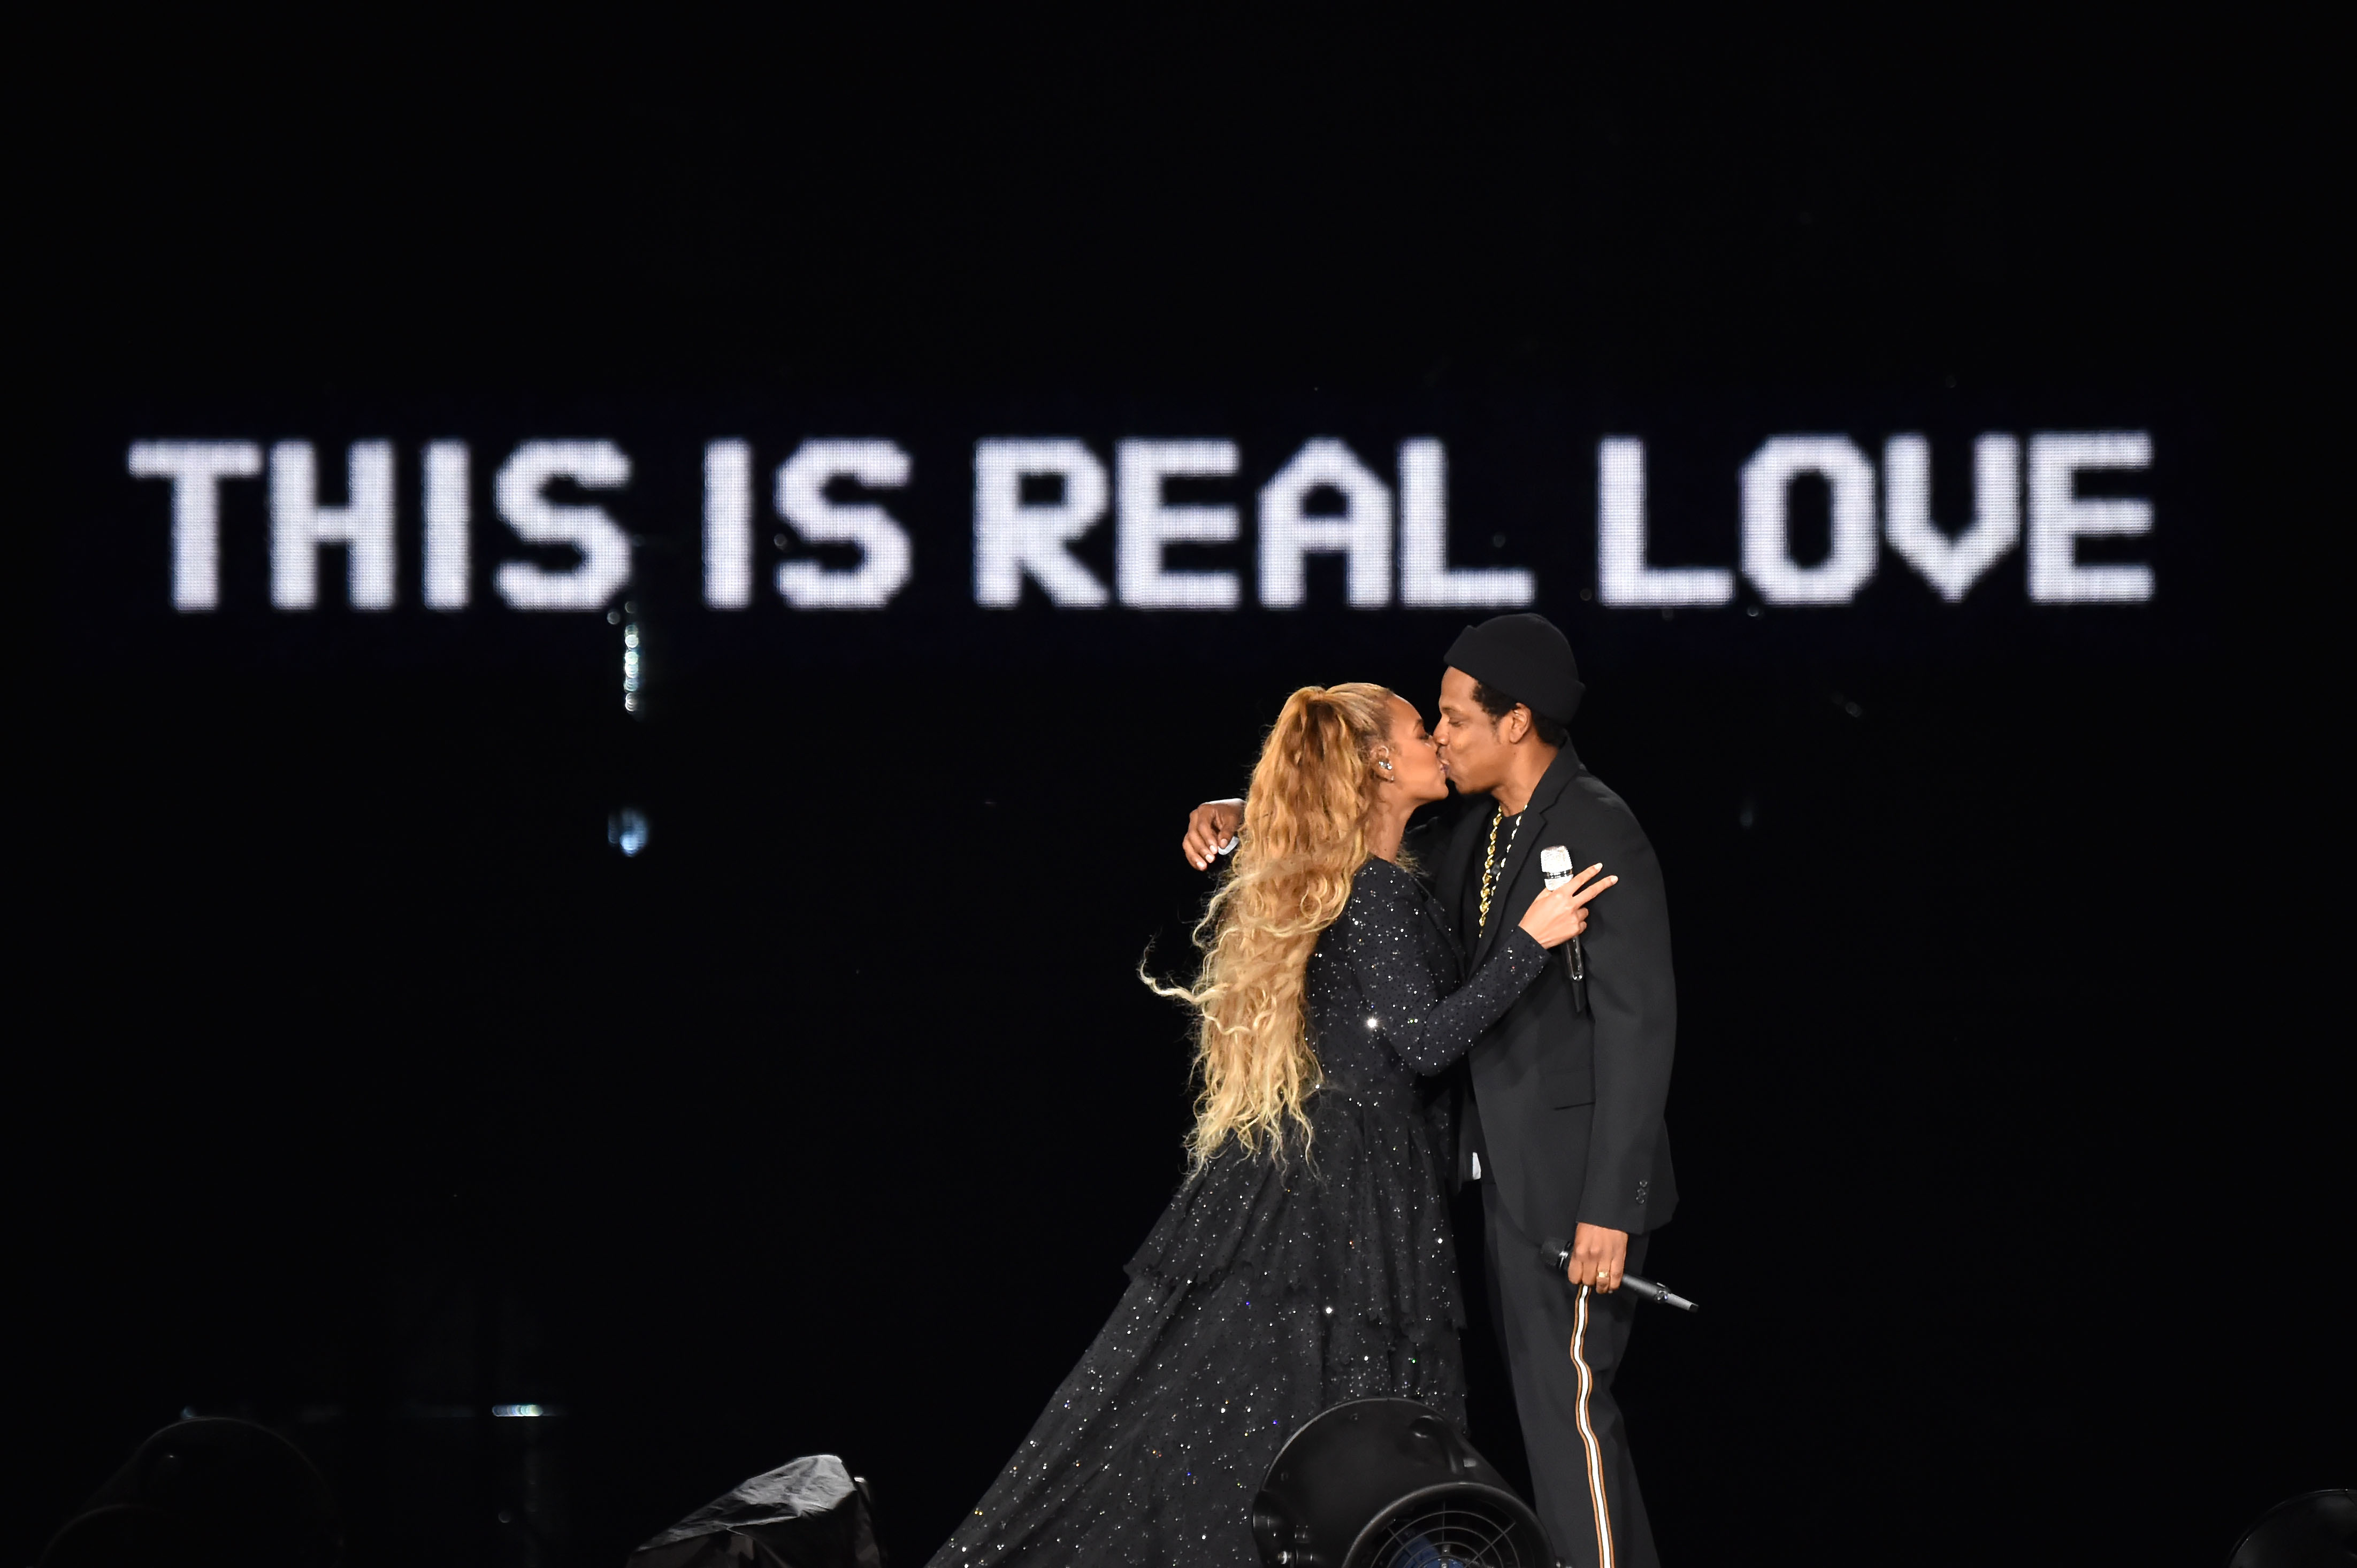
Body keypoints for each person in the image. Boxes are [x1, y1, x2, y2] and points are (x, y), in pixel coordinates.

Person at [930, 683, 1613, 1567]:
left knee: (1296, 1423)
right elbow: (1424, 1043)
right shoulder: (1372, 890)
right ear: (1379, 760)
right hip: (1344, 1194)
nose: (1440, 742)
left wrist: (1241, 808)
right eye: (1423, 729)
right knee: (1339, 1432)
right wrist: (1530, 941)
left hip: (1325, 1179)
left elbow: (1318, 812)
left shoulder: (1360, 869)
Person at [1182, 614, 1677, 1568]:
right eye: (1434, 723)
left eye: (1453, 719)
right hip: (1508, 1192)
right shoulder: (1479, 834)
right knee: (1546, 1421)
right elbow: (1348, 826)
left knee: (1571, 1419)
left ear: (1515, 721)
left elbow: (1638, 1028)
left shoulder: (1594, 826)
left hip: (1575, 1196)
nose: (1440, 737)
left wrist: (1611, 1208)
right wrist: (1248, 810)